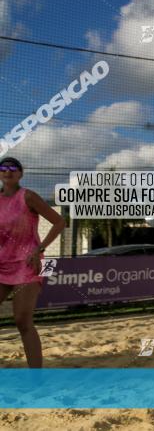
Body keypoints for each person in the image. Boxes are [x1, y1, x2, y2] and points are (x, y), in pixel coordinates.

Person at [0, 157, 66, 368]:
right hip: (2, 264)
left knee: (22, 321)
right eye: (3, 168)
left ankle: (36, 377)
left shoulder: (27, 196)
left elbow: (60, 222)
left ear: (20, 173)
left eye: (13, 168)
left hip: (28, 264)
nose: (7, 171)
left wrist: (40, 248)